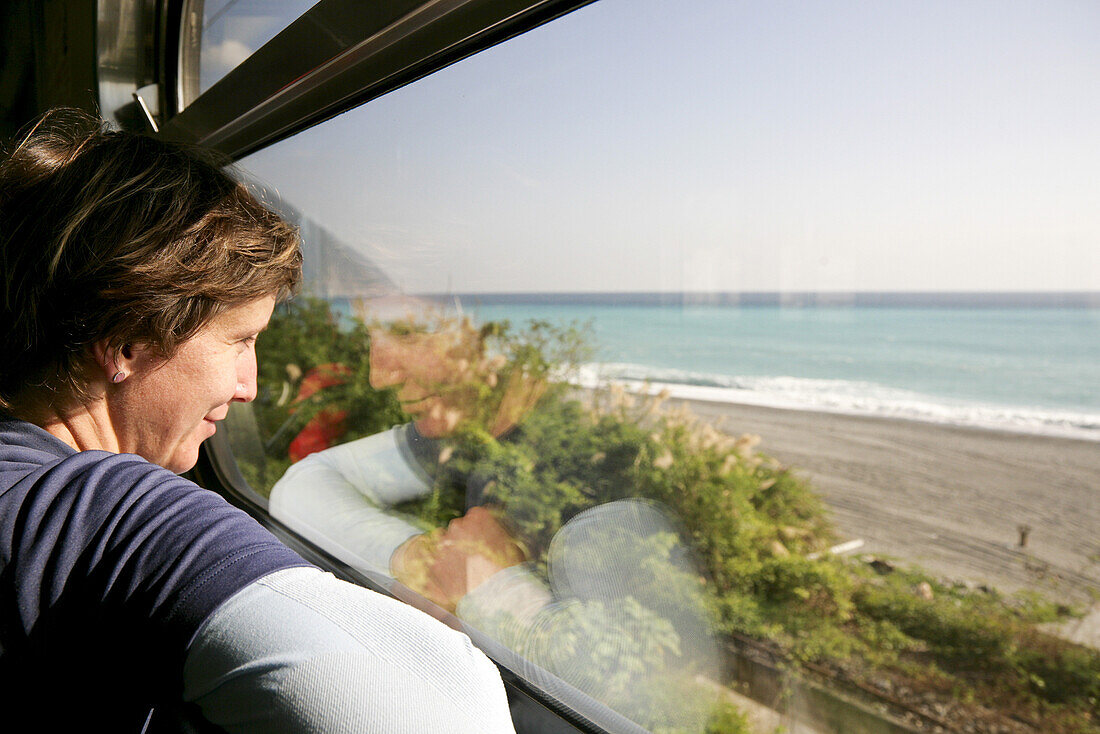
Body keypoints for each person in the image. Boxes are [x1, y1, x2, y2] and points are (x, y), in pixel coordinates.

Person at [0, 108, 516, 733]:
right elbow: (427, 697)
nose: (248, 387)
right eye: (239, 340)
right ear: (127, 340)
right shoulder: (102, 511)